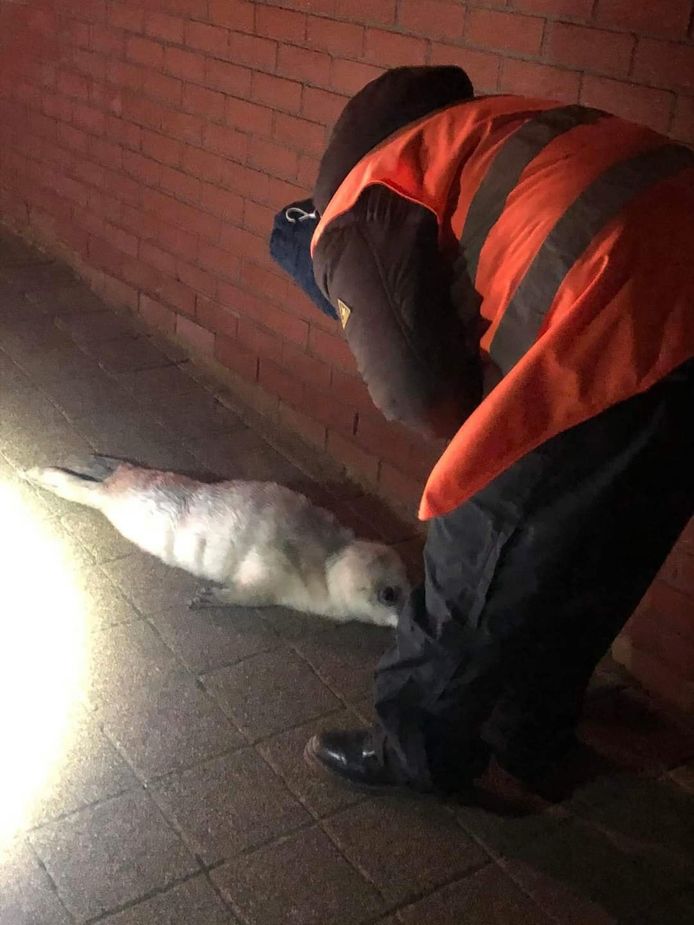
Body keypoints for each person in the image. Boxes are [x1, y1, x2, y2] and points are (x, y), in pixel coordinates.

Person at [286, 66, 693, 794]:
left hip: (614, 300)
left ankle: (419, 750)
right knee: (609, 540)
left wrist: (489, 471)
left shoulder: (351, 217)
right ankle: (534, 729)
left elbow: (424, 399)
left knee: (481, 549)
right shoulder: (483, 127)